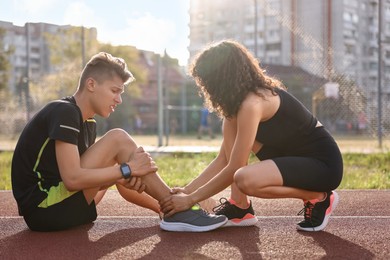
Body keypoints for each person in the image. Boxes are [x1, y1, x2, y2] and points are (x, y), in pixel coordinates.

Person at [11, 52, 227, 232]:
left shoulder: (88, 124)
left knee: (119, 166)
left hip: (61, 208)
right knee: (118, 139)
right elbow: (73, 179)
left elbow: (80, 177)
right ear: (91, 84)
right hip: (44, 208)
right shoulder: (64, 111)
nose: (119, 99)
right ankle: (179, 211)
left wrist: (123, 174)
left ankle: (168, 211)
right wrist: (126, 169)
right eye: (114, 91)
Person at [160, 40, 343, 232]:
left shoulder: (253, 103)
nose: (205, 87)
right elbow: (224, 158)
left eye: (206, 81)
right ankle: (240, 207)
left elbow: (235, 167)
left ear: (221, 78)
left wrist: (190, 200)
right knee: (235, 154)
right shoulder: (234, 108)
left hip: (323, 165)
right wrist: (186, 190)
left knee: (245, 178)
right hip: (291, 159)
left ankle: (319, 197)